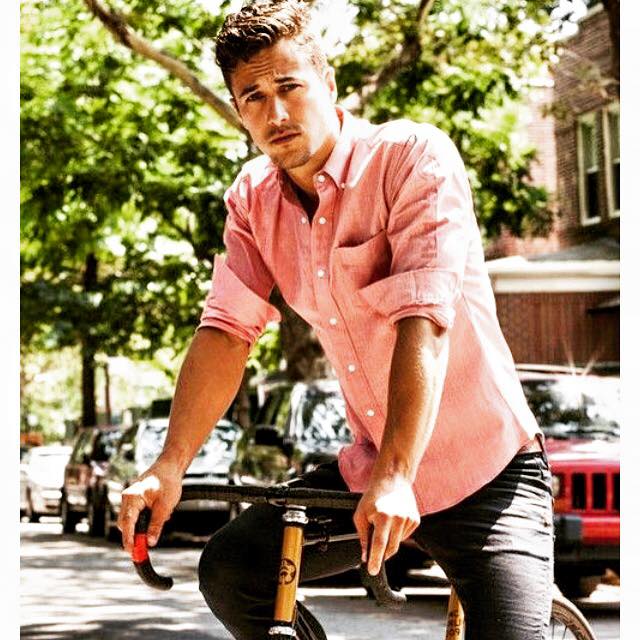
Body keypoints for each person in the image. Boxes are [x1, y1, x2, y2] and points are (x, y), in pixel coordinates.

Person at [118, 1, 554, 638]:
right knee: (234, 569)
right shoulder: (253, 200)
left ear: (328, 81)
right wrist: (170, 465)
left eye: (289, 86)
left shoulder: (412, 157)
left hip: (487, 473)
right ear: (238, 110)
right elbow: (227, 330)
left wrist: (400, 475)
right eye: (253, 97)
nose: (276, 113)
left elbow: (425, 319)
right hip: (370, 474)